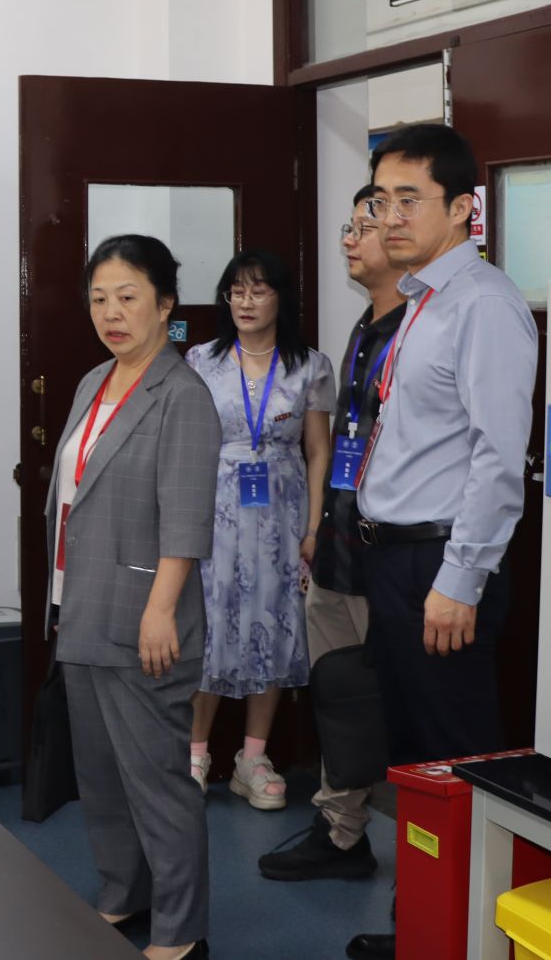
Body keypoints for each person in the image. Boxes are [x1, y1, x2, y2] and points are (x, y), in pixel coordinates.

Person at [344, 126, 538, 960]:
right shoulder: (422, 296)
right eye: (380, 199)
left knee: (455, 760)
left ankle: (461, 939)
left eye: (408, 199)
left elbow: (499, 457)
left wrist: (460, 579)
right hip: (397, 560)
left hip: (441, 564)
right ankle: (422, 926)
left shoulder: (483, 302)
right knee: (417, 758)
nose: (389, 216)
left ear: (462, 208)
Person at [49, 235, 219, 960]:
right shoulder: (95, 380)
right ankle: (124, 893)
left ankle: (181, 929)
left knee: (156, 781)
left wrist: (160, 609)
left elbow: (186, 517)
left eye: (127, 297)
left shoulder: (181, 394)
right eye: (99, 299)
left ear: (165, 304)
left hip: (146, 617)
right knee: (102, 777)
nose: (111, 313)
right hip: (84, 607)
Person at [259, 186, 407, 881]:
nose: (349, 239)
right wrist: (320, 527)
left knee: (396, 709)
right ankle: (340, 832)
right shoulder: (365, 326)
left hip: (393, 557)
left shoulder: (420, 327)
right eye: (347, 226)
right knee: (340, 698)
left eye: (363, 227)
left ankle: (425, 870)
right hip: (341, 546)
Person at [183, 250, 332, 809]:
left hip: (281, 516)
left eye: (258, 290)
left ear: (280, 298)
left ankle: (253, 757)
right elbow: (185, 444)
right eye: (236, 291)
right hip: (215, 511)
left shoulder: (309, 366)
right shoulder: (201, 360)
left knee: (272, 625)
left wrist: (313, 527)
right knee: (211, 628)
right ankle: (196, 754)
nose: (245, 302)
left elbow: (318, 453)